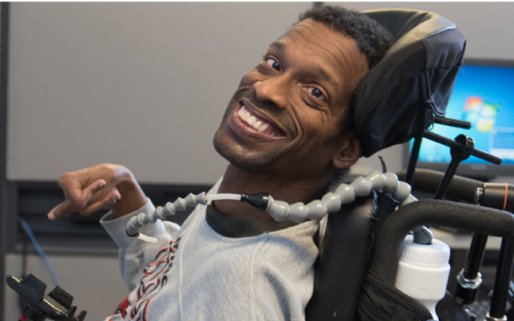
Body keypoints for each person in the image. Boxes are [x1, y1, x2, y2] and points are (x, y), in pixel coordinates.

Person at [45, 6, 393, 321]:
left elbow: (213, 290)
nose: (266, 90)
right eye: (274, 63)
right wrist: (127, 197)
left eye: (315, 92)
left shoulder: (244, 287)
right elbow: (171, 290)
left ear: (346, 150)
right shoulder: (243, 203)